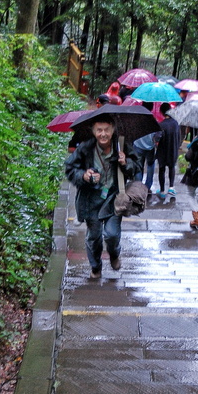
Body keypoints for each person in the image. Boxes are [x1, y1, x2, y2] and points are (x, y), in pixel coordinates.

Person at [65, 113, 140, 279]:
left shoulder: (122, 146)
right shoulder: (85, 148)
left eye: (107, 130)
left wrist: (125, 163)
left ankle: (114, 254)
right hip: (90, 200)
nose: (103, 134)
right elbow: (70, 169)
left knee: (112, 234)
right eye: (99, 130)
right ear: (93, 131)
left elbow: (137, 167)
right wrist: (83, 175)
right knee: (94, 237)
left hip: (114, 199)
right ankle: (96, 266)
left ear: (113, 130)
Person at [155, 103, 181, 198]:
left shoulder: (161, 125)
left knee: (161, 169)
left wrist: (155, 141)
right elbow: (179, 137)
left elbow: (157, 138)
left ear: (161, 112)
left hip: (162, 151)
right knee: (171, 167)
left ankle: (162, 191)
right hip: (173, 149)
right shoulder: (176, 123)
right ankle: (171, 188)